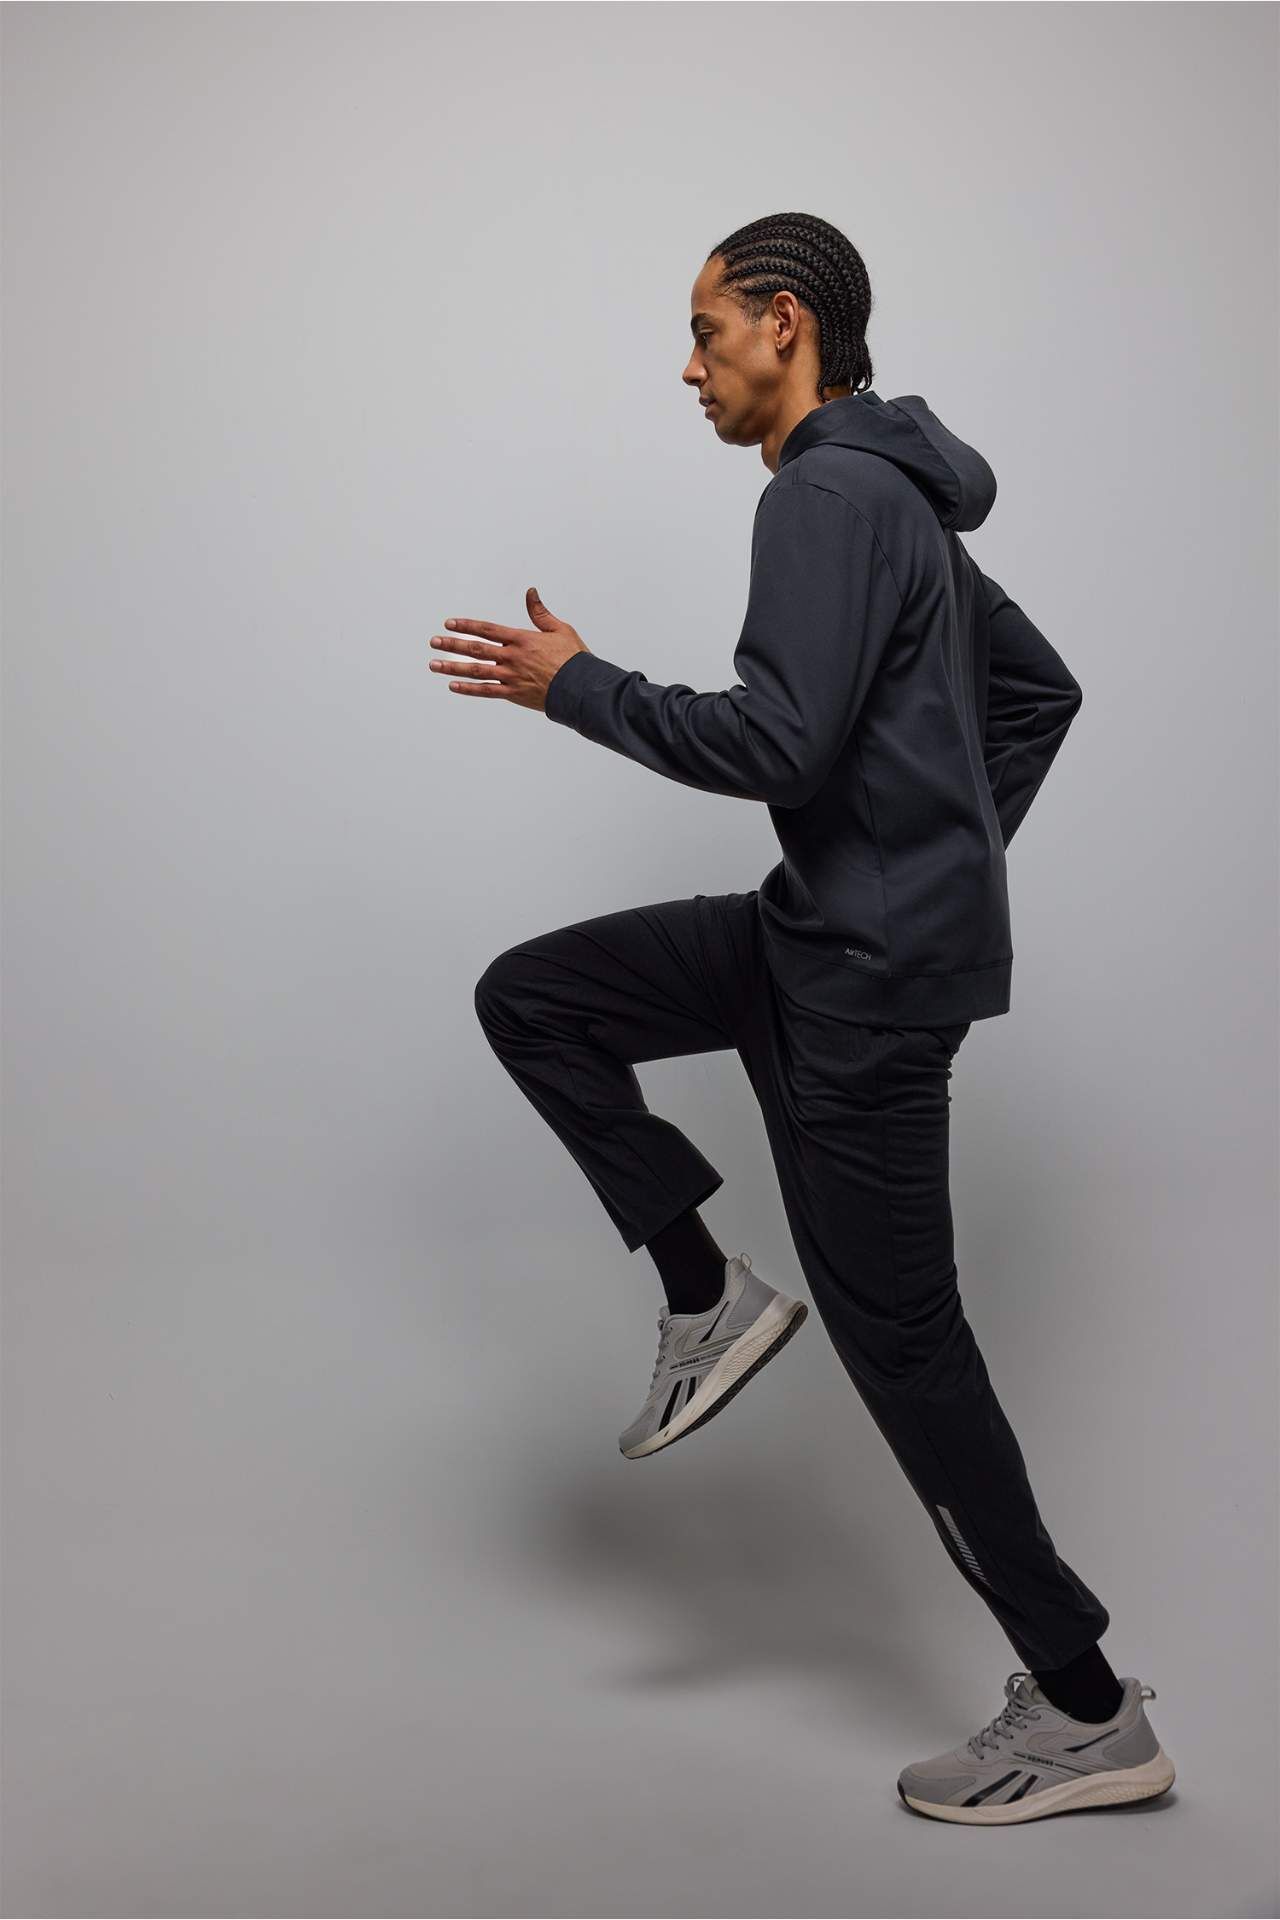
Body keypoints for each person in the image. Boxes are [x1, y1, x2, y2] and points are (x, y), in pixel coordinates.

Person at [433, 210, 1175, 1825]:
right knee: (536, 996)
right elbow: (1038, 694)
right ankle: (705, 1290)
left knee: (907, 1349)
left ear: (786, 324)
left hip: (865, 994)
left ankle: (1085, 1710)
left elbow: (774, 742)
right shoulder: (893, 497)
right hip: (807, 943)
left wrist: (575, 684)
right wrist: (924, 859)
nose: (688, 365)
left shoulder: (826, 497)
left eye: (706, 331)